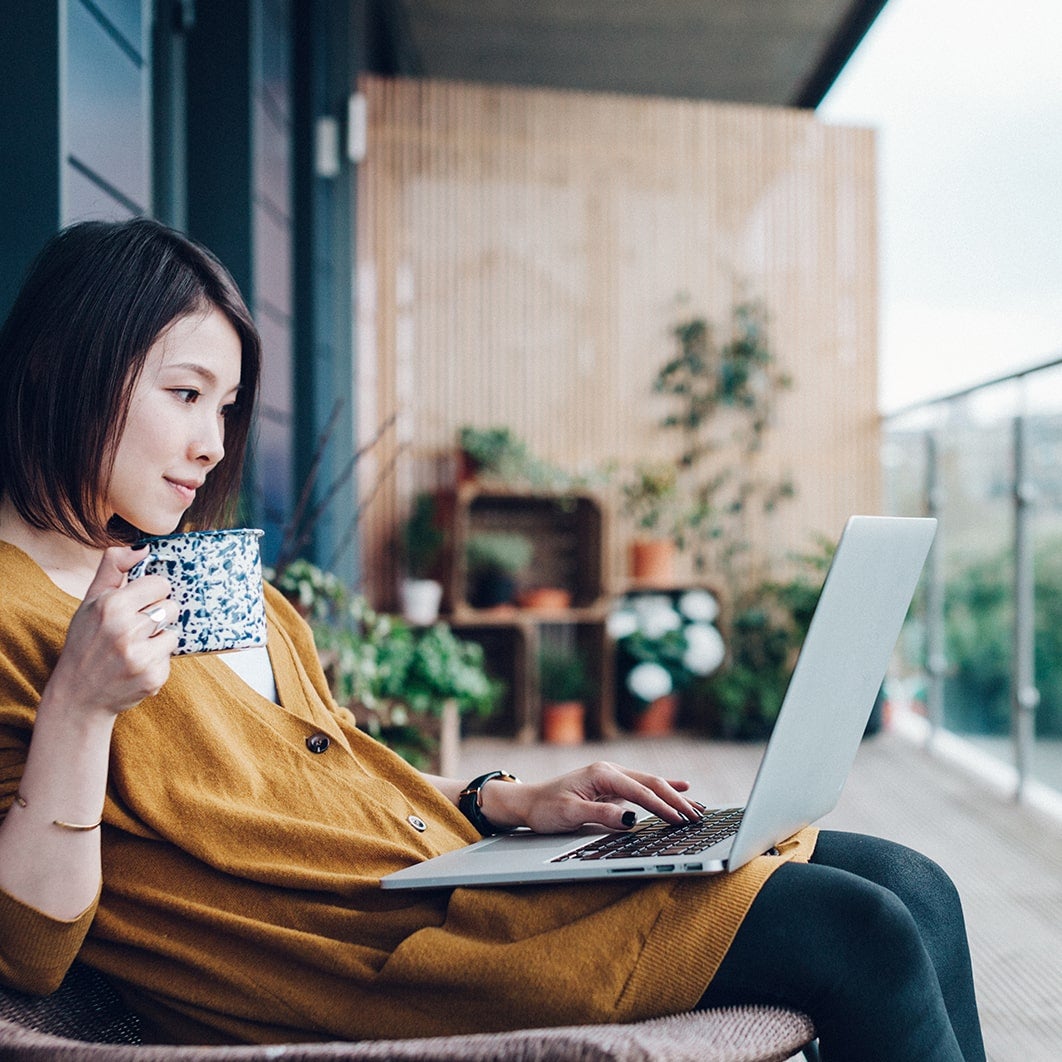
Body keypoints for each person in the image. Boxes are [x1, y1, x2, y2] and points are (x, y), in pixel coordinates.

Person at [0, 219, 985, 1061]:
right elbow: (30, 952)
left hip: (449, 879)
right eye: (185, 395)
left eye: (225, 408)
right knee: (860, 930)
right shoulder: (15, 619)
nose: (214, 444)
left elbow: (327, 774)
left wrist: (507, 802)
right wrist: (80, 708)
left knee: (914, 884)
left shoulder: (195, 573)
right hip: (373, 959)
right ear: (63, 366)